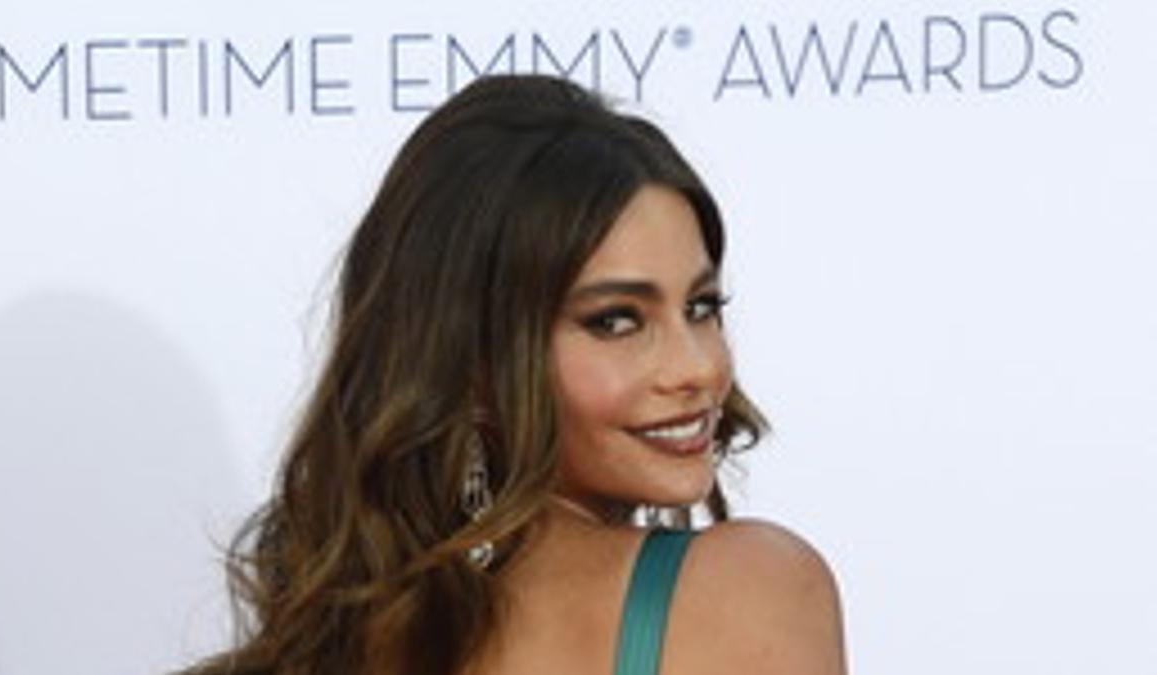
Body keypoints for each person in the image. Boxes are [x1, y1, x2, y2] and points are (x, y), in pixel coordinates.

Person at [183, 74, 846, 675]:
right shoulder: (749, 590)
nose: (699, 367)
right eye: (616, 320)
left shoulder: (321, 643)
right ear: (470, 359)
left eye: (702, 306)